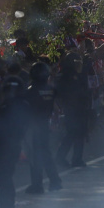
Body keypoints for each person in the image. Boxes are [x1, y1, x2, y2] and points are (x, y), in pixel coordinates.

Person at [24, 63, 62, 194]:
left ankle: (38, 184)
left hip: (33, 125)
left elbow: (25, 109)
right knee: (45, 154)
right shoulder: (51, 90)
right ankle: (54, 180)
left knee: (36, 156)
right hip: (45, 124)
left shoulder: (30, 91)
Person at [0, 77, 30, 208]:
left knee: (4, 179)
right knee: (5, 178)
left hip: (6, 146)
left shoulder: (6, 107)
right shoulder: (25, 105)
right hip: (12, 146)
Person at [55, 52, 91, 168]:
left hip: (81, 108)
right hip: (71, 109)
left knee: (80, 134)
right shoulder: (65, 75)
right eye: (77, 62)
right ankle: (61, 158)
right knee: (72, 134)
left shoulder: (79, 74)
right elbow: (61, 92)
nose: (79, 64)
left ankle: (77, 159)